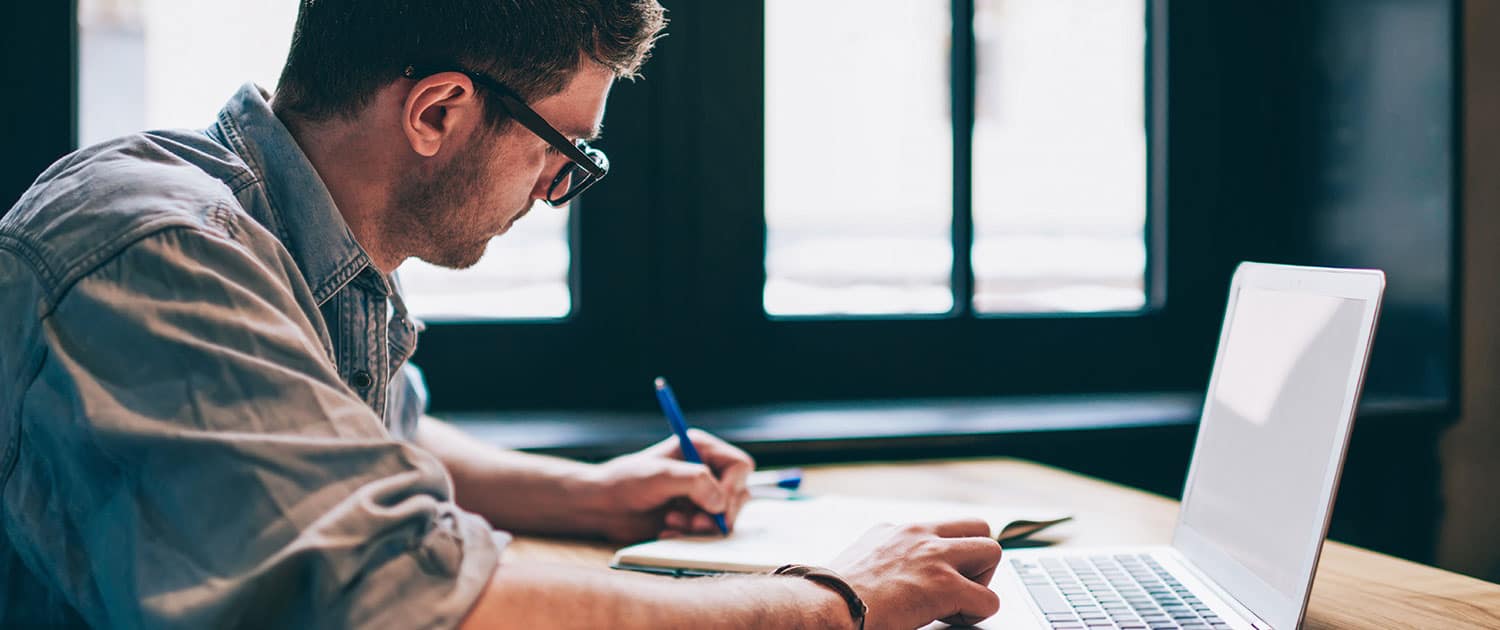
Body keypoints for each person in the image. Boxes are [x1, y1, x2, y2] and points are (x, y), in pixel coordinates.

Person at [0, 1, 1003, 627]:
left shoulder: (289, 237)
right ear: (437, 111)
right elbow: (406, 598)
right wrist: (837, 598)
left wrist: (591, 496)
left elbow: (362, 436)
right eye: (566, 152)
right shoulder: (160, 252)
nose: (558, 191)